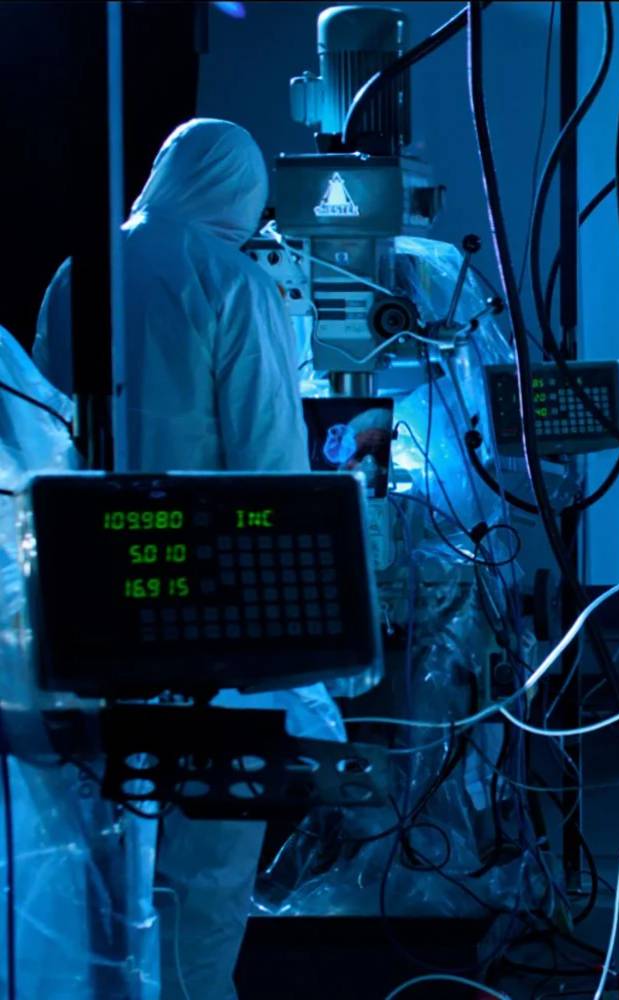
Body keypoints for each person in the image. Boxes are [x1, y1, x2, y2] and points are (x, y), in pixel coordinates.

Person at [38, 118, 344, 1000]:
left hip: (85, 593)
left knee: (100, 841)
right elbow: (271, 466)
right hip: (204, 593)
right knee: (207, 851)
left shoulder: (76, 274)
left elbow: (47, 436)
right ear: (243, 192)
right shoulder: (232, 280)